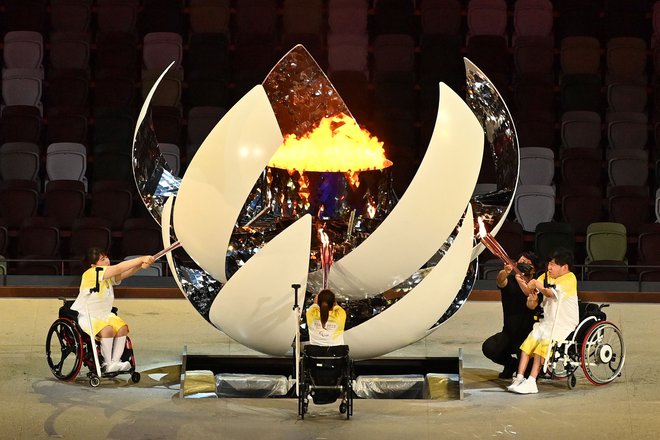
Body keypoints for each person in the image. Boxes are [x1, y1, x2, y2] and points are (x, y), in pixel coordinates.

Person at [71, 247, 155, 373]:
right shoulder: (90, 273)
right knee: (108, 330)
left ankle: (115, 362)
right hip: (88, 316)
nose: (107, 261)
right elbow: (118, 268)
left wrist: (140, 266)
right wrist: (141, 258)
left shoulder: (107, 276)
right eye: (102, 259)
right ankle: (107, 363)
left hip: (105, 315)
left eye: (106, 258)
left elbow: (125, 273)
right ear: (93, 265)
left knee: (122, 328)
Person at [508, 248, 579, 394]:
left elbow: (548, 293)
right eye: (549, 264)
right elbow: (530, 290)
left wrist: (536, 283)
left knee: (542, 346)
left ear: (564, 267)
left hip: (563, 325)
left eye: (553, 264)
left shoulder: (569, 278)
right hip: (547, 322)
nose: (549, 267)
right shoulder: (545, 276)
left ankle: (532, 381)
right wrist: (520, 280)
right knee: (528, 344)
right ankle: (519, 378)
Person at [482, 251, 540, 379]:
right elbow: (500, 281)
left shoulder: (537, 285)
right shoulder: (510, 281)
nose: (523, 264)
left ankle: (527, 366)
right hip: (509, 333)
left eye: (527, 263)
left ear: (534, 269)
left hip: (527, 336)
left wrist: (522, 282)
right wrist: (506, 272)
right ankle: (510, 364)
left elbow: (532, 304)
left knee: (527, 373)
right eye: (521, 262)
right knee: (489, 348)